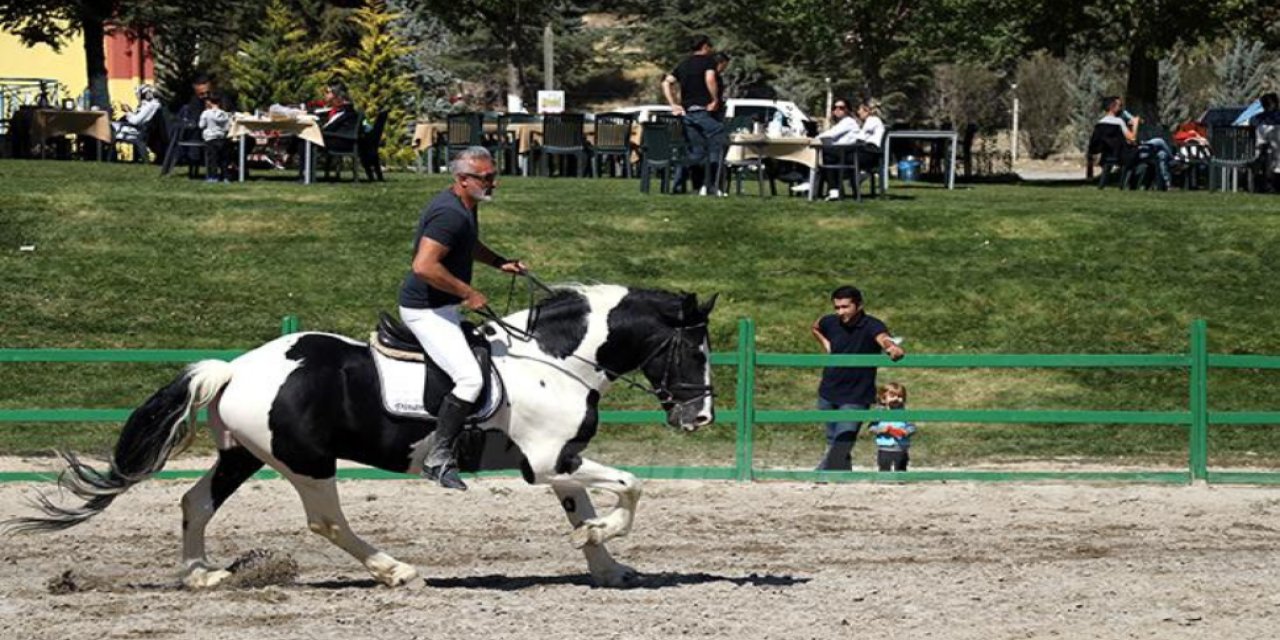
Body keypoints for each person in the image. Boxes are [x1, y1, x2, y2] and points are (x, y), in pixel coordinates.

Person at [398, 146, 527, 490]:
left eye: (493, 176)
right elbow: (424, 266)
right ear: (463, 180)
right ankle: (438, 457)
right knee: (470, 378)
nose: (493, 183)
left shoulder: (465, 206)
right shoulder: (449, 214)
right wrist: (467, 292)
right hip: (425, 311)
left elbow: (466, 244)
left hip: (442, 307)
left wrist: (500, 262)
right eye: (486, 178)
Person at [812, 285, 905, 471]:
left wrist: (891, 347)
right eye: (837, 307)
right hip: (828, 390)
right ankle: (843, 473)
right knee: (832, 439)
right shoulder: (830, 322)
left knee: (843, 440)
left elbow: (883, 338)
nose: (840, 312)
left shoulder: (872, 324)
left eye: (845, 307)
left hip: (856, 394)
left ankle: (821, 475)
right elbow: (816, 326)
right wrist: (827, 345)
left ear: (859, 305)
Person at [662, 34, 725, 196]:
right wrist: (714, 99)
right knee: (717, 144)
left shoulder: (683, 64)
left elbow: (666, 82)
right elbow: (710, 78)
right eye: (709, 46)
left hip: (688, 112)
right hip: (704, 110)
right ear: (704, 46)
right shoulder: (708, 61)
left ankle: (683, 184)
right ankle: (713, 185)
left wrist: (673, 104)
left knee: (696, 152)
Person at [790, 97, 861, 199]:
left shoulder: (848, 121)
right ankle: (827, 188)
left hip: (846, 152)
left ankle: (810, 181)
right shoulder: (840, 123)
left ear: (847, 110)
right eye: (835, 107)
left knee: (819, 152)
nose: (837, 110)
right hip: (839, 152)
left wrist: (815, 138)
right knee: (823, 155)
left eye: (841, 108)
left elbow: (831, 134)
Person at [1098, 96, 1173, 190]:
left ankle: (1164, 185)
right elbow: (1132, 139)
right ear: (1112, 107)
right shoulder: (1119, 122)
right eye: (1119, 105)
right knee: (1160, 142)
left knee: (1161, 154)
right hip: (1128, 154)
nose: (1121, 108)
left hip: (1111, 154)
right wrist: (1135, 124)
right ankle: (1173, 161)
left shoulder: (1100, 123)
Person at [868, 382, 915, 472]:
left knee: (901, 466)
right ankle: (885, 482)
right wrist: (881, 430)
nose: (897, 399)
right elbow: (871, 427)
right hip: (884, 446)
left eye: (900, 396)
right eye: (893, 396)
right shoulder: (879, 413)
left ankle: (901, 481)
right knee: (884, 466)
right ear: (883, 399)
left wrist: (906, 431)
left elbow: (912, 426)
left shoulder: (904, 413)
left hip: (901, 446)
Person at [112, 84, 162, 158]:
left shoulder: (149, 106)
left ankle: (107, 156)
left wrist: (127, 112)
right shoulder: (153, 104)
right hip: (139, 129)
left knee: (109, 128)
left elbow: (135, 121)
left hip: (136, 131)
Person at [199, 94, 231, 183]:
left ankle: (212, 177)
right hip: (221, 138)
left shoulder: (206, 113)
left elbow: (201, 125)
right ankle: (225, 177)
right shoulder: (224, 114)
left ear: (210, 102)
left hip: (210, 138)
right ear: (219, 102)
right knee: (223, 159)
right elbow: (227, 128)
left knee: (212, 159)